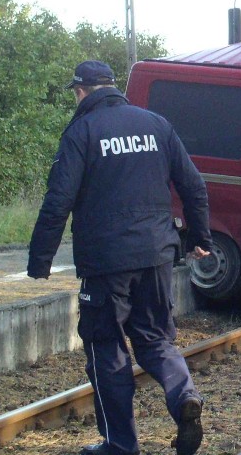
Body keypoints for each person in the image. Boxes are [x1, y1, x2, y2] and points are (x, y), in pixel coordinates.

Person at [27, 60, 213, 455]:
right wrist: (199, 237)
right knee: (156, 339)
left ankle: (119, 445)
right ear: (112, 86)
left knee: (105, 348)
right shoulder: (157, 124)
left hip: (106, 262)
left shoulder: (82, 130)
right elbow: (194, 186)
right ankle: (184, 398)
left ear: (81, 91)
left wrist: (40, 260)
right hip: (158, 255)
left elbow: (58, 199)